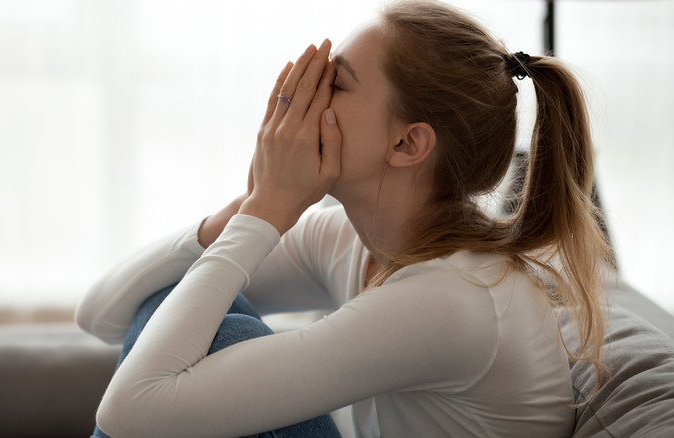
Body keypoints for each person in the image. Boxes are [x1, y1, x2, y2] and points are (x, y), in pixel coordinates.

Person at [75, 0, 614, 436]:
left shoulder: (455, 298)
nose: (302, 97)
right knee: (192, 308)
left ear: (406, 144)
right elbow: (99, 314)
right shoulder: (355, 238)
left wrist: (266, 210)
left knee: (222, 335)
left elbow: (128, 412)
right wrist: (249, 206)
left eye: (335, 82)